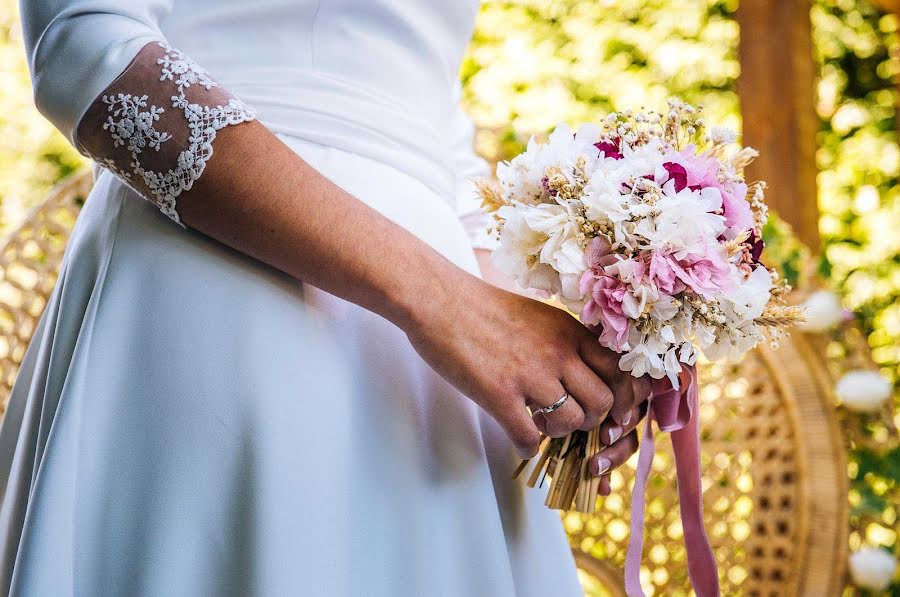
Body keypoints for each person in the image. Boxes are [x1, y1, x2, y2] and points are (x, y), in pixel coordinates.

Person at [0, 1, 646, 595]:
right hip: (222, 271)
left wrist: (548, 353)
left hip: (437, 376)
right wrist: (449, 305)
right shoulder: (448, 308)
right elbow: (86, 47)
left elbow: (435, 136)